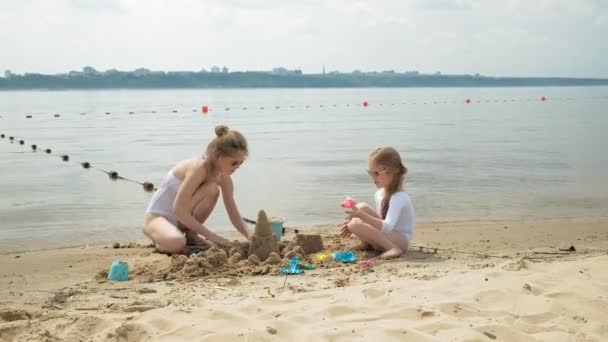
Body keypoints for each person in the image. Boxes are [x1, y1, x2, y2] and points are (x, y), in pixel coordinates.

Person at [143, 125, 252, 254]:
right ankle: (162, 242)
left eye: (241, 163)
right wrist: (213, 237)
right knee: (177, 243)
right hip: (157, 220)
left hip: (181, 222)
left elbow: (234, 215)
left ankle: (191, 235)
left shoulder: (224, 177)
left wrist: (251, 237)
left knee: (212, 189)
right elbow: (178, 210)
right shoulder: (198, 168)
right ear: (218, 156)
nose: (238, 167)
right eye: (234, 163)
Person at [341, 146, 415, 259]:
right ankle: (367, 243)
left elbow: (387, 226)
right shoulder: (379, 193)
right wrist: (359, 220)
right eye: (370, 173)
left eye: (376, 173)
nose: (372, 177)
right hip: (389, 235)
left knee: (356, 221)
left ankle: (392, 248)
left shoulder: (399, 197)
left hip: (400, 241)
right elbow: (380, 220)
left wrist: (361, 216)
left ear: (391, 171)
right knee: (361, 207)